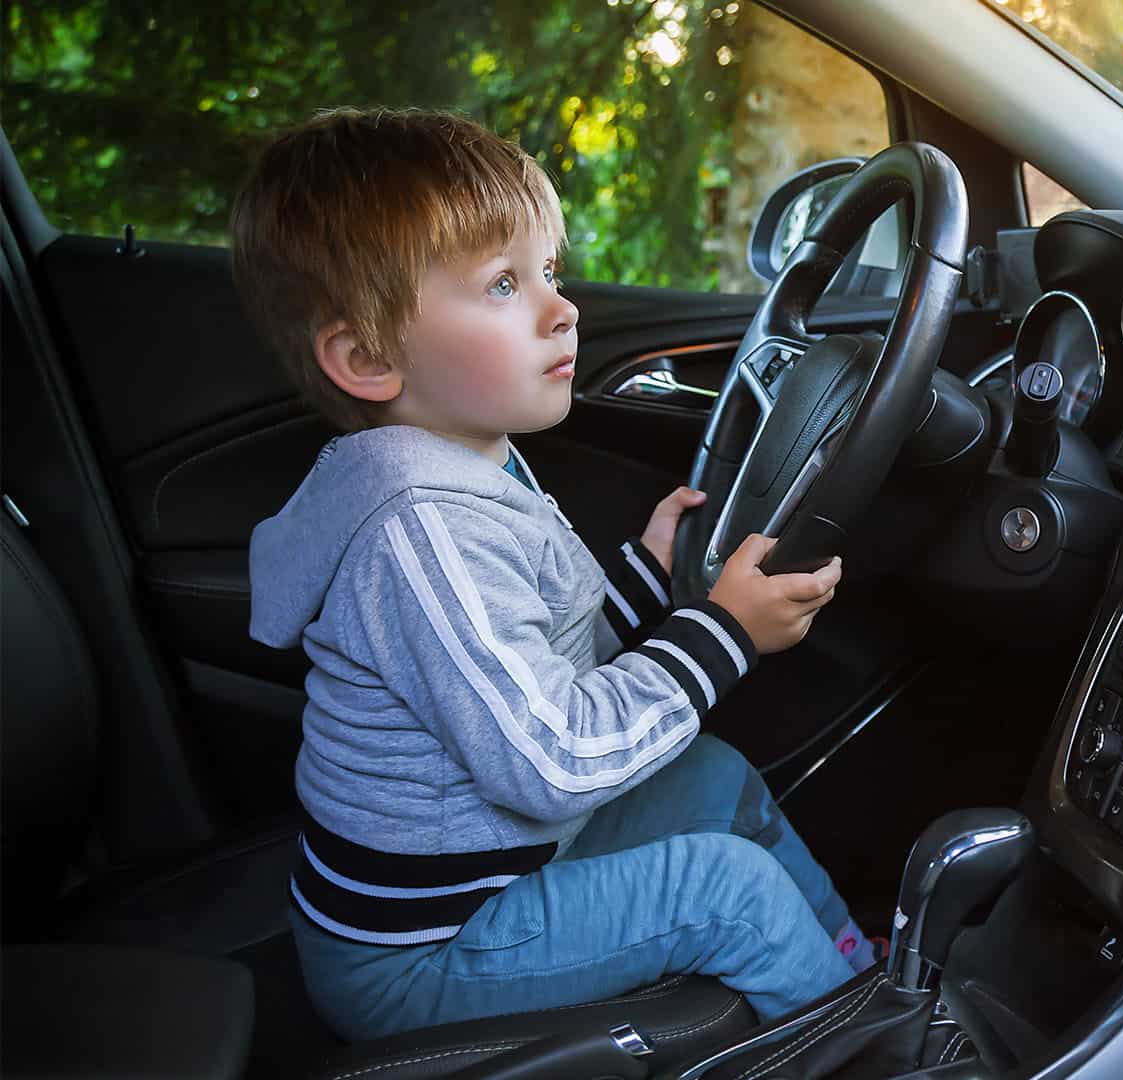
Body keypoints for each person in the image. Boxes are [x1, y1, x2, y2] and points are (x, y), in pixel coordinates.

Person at [235, 107, 871, 1042]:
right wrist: (725, 632)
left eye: (548, 271)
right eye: (502, 284)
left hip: (496, 865)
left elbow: (530, 661)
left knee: (712, 775)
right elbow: (554, 763)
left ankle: (849, 977)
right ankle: (867, 1053)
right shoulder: (420, 529)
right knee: (724, 893)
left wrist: (653, 576)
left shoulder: (469, 460)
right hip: (422, 952)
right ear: (368, 357)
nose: (560, 306)